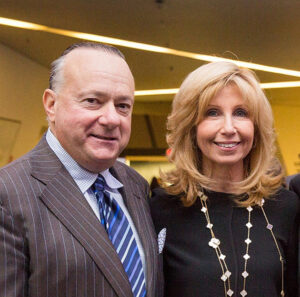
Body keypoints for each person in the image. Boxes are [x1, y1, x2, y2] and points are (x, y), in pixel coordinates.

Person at [0, 42, 163, 297]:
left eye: (123, 106)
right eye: (93, 101)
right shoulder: (8, 194)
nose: (111, 119)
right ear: (51, 105)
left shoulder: (136, 186)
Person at [150, 61, 299, 297]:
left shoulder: (287, 207)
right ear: (191, 126)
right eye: (212, 113)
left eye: (241, 113)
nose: (228, 128)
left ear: (256, 127)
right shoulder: (159, 210)